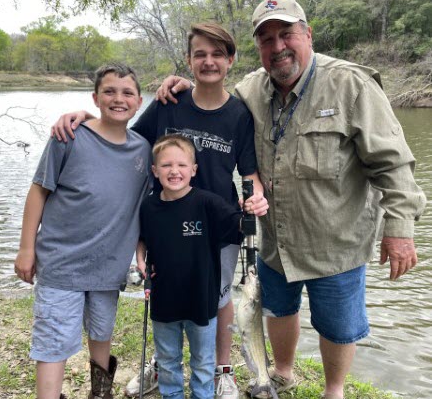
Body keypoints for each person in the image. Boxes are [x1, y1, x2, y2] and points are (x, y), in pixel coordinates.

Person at [155, 0, 427, 399]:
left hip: (336, 241)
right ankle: (282, 373)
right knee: (278, 309)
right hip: (276, 241)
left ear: (308, 34)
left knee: (337, 325)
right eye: (266, 39)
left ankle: (333, 391)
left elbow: (393, 162)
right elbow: (214, 100)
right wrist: (184, 86)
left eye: (287, 34)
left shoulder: (352, 85)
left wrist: (399, 229)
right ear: (258, 48)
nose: (278, 46)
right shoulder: (250, 89)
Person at [51, 22, 268, 399]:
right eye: (200, 54)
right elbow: (122, 134)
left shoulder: (239, 114)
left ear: (231, 60)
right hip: (164, 222)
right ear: (188, 59)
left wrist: (257, 197)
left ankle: (222, 370)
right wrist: (87, 118)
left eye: (217, 54)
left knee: (218, 298)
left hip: (216, 226)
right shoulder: (170, 102)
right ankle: (160, 363)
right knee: (165, 290)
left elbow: (249, 173)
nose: (209, 62)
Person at [14, 63, 152, 399]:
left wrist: (141, 252)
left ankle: (100, 393)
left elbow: (141, 209)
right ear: (95, 98)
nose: (118, 99)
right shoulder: (68, 137)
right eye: (109, 91)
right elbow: (38, 191)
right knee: (53, 339)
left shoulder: (143, 150)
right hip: (61, 263)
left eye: (127, 93)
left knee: (102, 331)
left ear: (139, 102)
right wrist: (26, 248)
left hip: (109, 267)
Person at [136, 134, 267, 399]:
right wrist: (140, 257)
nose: (174, 171)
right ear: (155, 170)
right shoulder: (149, 205)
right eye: (166, 165)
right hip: (163, 301)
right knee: (168, 361)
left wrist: (249, 210)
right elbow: (143, 239)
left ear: (194, 170)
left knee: (203, 363)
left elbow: (238, 227)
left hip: (202, 301)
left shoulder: (208, 203)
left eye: (182, 165)